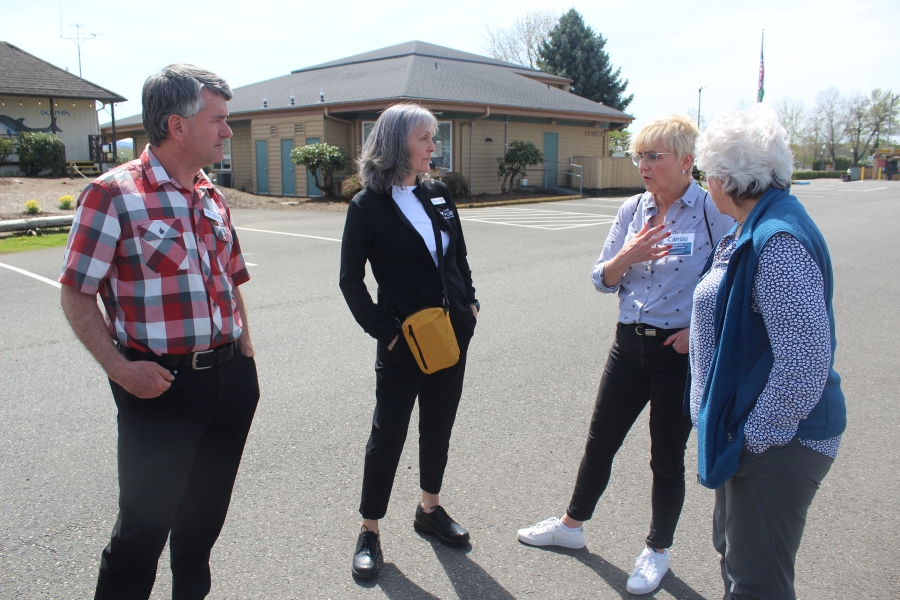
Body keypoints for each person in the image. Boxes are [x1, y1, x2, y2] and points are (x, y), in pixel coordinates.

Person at [59, 64, 259, 600]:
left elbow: (231, 277)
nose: (227, 131)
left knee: (199, 533)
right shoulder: (112, 194)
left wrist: (245, 353)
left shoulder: (210, 194)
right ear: (177, 125)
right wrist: (121, 370)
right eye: (218, 120)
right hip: (160, 387)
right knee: (141, 536)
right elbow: (76, 292)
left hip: (229, 382)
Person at [517, 115, 734, 595]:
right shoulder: (633, 210)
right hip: (627, 344)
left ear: (686, 161)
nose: (643, 165)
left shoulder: (710, 211)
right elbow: (601, 278)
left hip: (676, 354)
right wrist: (627, 256)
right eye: (639, 155)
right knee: (600, 441)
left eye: (654, 156)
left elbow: (736, 282)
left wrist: (700, 329)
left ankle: (657, 550)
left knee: (665, 457)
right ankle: (571, 526)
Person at [690, 106, 846, 599]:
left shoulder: (776, 241)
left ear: (723, 177)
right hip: (751, 432)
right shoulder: (757, 222)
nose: (703, 183)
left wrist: (755, 438)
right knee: (737, 556)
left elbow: (804, 360)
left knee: (758, 582)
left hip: (781, 441)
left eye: (704, 173)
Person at [339, 103, 479, 580]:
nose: (432, 147)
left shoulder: (437, 193)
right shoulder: (367, 206)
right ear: (398, 142)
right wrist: (384, 330)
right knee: (389, 433)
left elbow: (457, 255)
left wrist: (471, 304)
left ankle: (429, 510)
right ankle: (369, 529)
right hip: (404, 343)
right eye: (425, 138)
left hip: (451, 333)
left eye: (432, 138)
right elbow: (350, 281)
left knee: (438, 423)